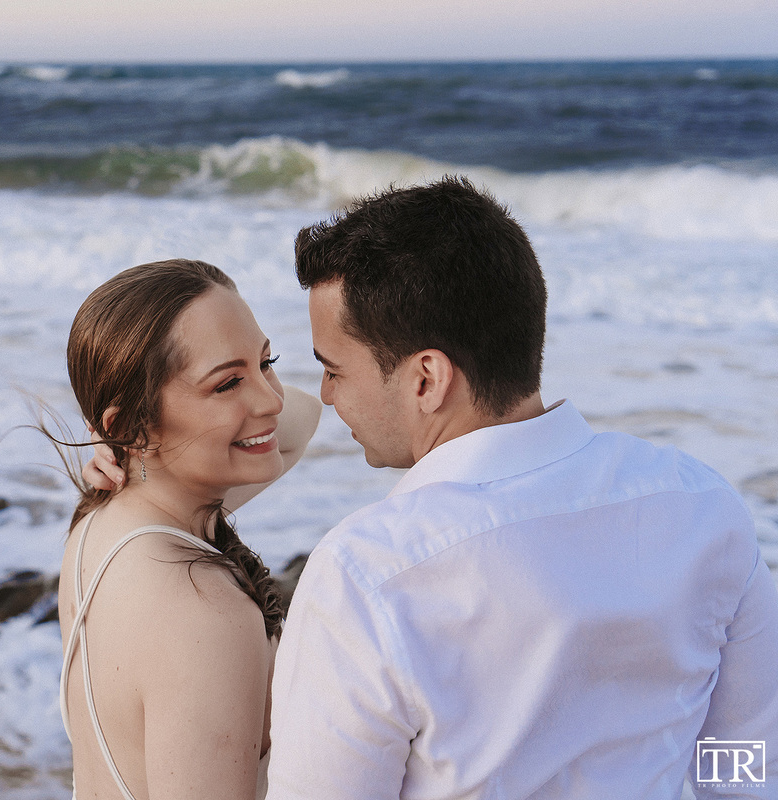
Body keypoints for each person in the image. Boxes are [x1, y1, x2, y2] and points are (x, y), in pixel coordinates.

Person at [266, 177, 778, 799]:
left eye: (333, 368)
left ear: (427, 379)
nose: (324, 395)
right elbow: (748, 758)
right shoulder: (700, 504)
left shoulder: (367, 572)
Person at [57, 258, 321, 800]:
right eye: (227, 384)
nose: (270, 399)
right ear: (127, 423)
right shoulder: (204, 611)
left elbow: (303, 416)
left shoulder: (99, 524)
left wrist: (130, 448)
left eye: (267, 362)